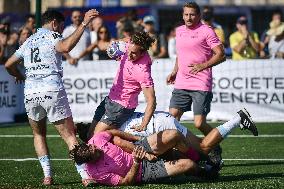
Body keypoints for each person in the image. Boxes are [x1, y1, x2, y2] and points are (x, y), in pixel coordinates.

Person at [4, 9, 99, 186]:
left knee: (38, 134)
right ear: (54, 23)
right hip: (51, 90)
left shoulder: (29, 40)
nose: (61, 32)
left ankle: (47, 176)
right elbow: (65, 47)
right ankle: (85, 176)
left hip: (31, 92)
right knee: (70, 136)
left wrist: (19, 75)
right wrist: (84, 24)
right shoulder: (52, 36)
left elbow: (9, 64)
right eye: (61, 27)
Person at [70, 108, 258, 186]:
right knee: (188, 161)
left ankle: (236, 120)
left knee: (202, 149)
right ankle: (200, 161)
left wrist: (138, 144)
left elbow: (118, 140)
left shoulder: (97, 139)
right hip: (157, 123)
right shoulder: (101, 124)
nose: (96, 146)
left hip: (154, 129)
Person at [166, 2, 225, 136]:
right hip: (182, 82)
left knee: (199, 123)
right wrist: (175, 71)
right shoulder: (179, 31)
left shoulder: (207, 31)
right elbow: (180, 55)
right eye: (186, 14)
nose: (189, 18)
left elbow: (221, 55)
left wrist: (202, 66)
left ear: (199, 15)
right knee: (171, 119)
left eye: (192, 15)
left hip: (200, 82)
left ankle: (215, 146)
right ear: (182, 15)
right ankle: (180, 150)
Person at [83, 31, 156, 139]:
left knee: (96, 138)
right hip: (110, 99)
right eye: (129, 51)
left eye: (134, 53)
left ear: (142, 52)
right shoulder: (129, 45)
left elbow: (151, 101)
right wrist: (113, 49)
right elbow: (120, 43)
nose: (129, 55)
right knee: (90, 136)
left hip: (121, 106)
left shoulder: (142, 71)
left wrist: (144, 124)